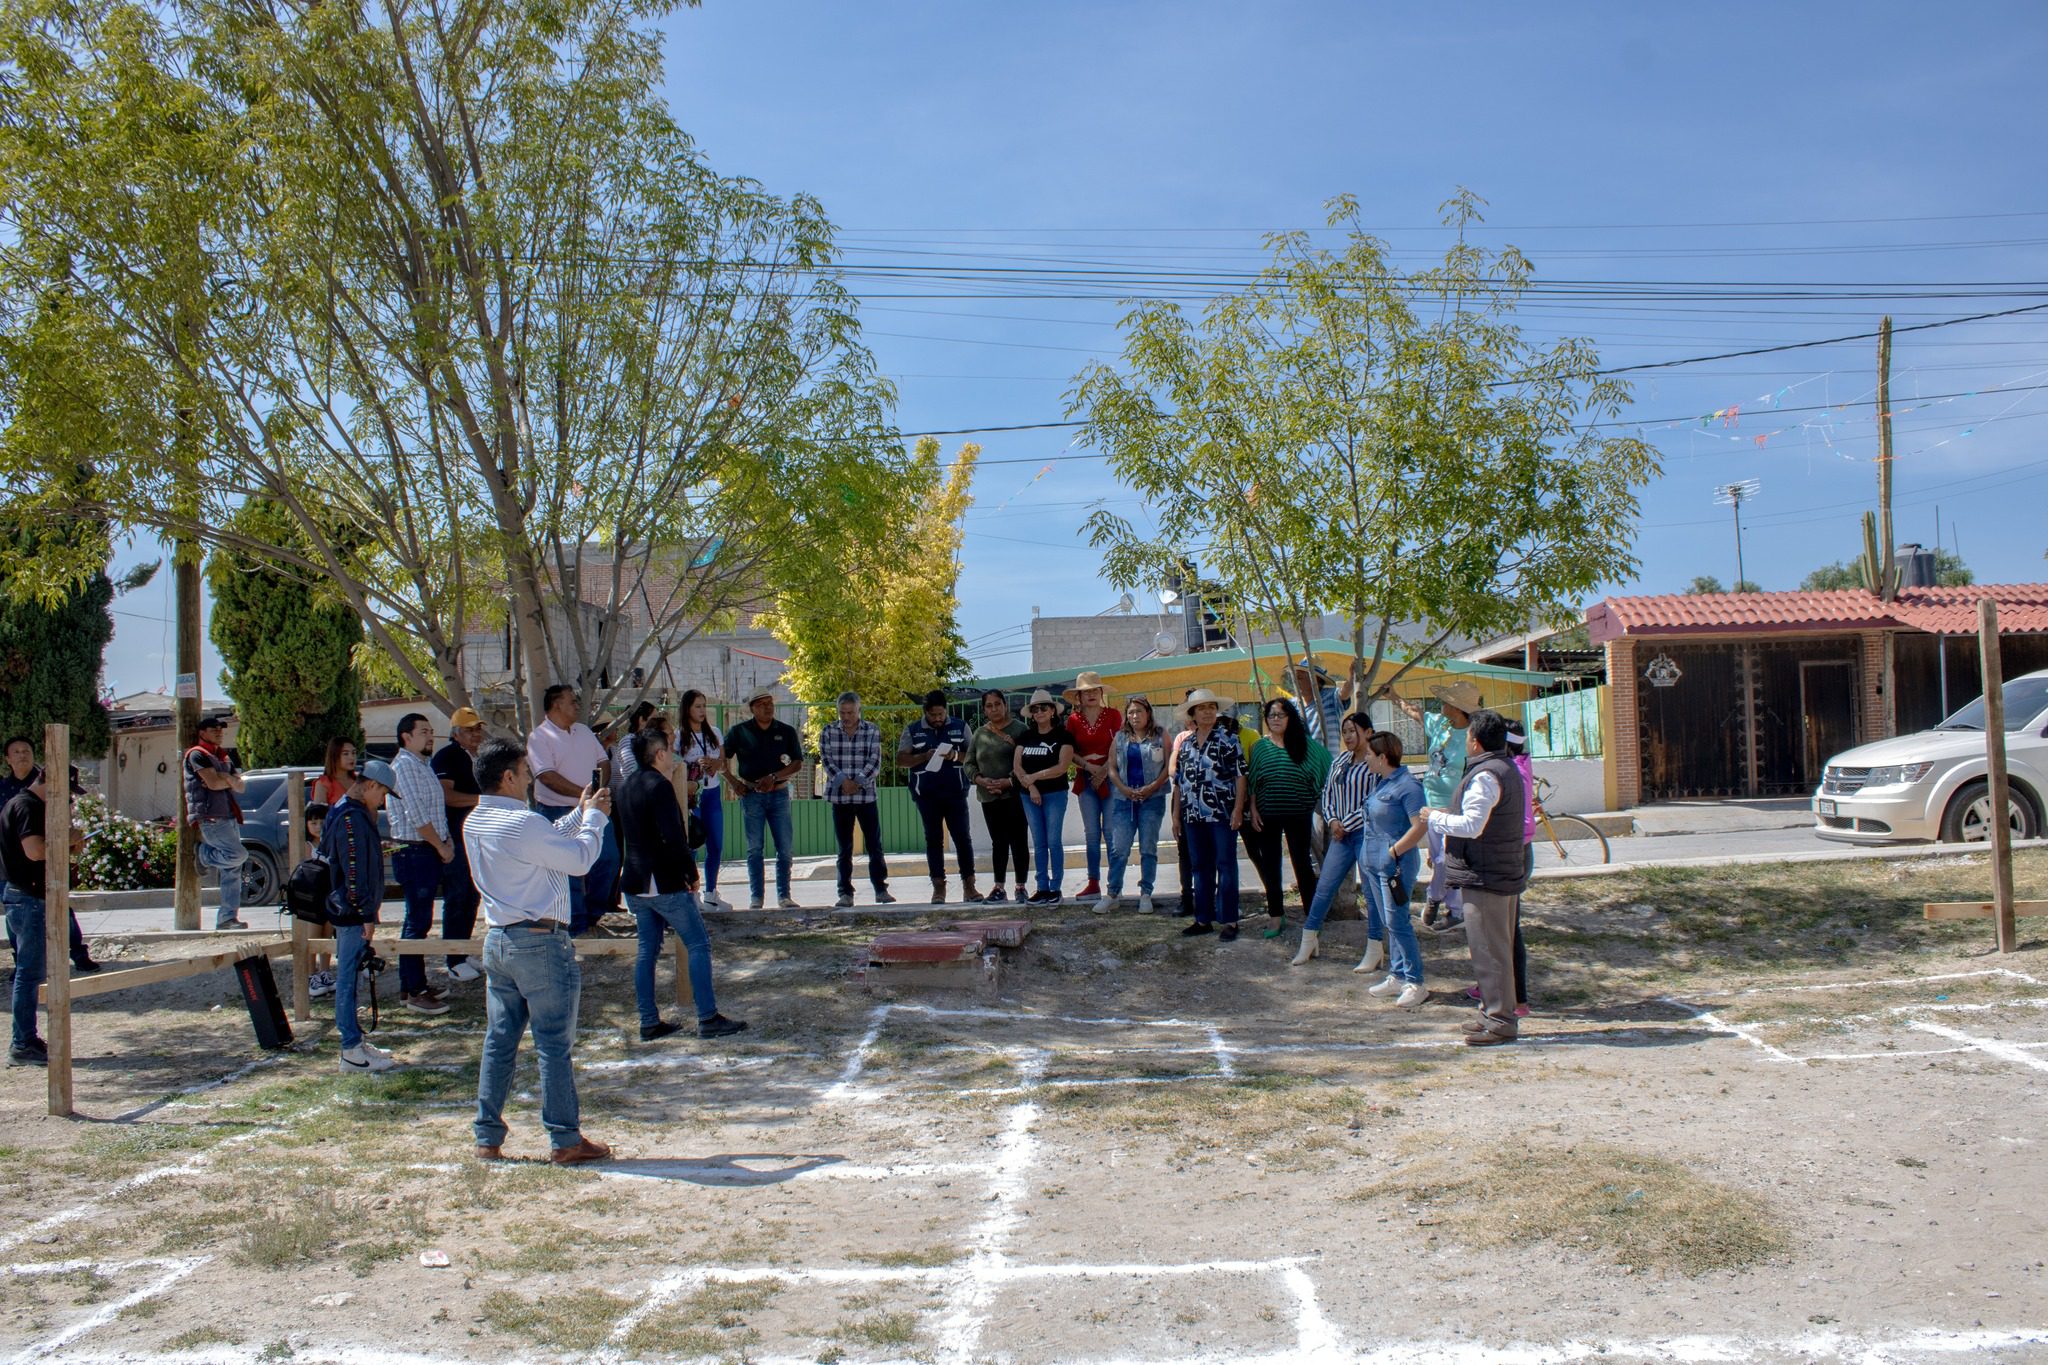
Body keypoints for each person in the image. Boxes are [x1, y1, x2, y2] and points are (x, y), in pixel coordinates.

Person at [464, 737, 612, 1164]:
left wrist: (579, 814)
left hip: (500, 939)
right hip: (541, 941)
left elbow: (544, 842)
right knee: (552, 1044)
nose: (530, 779)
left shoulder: (477, 821)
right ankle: (565, 1138)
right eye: (525, 772)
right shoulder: (521, 823)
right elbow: (580, 859)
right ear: (508, 777)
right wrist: (595, 820)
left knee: (499, 1041)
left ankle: (487, 1135)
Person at [614, 732, 747, 1042]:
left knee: (646, 951)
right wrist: (691, 874)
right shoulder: (659, 786)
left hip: (635, 881)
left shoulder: (628, 784)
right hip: (663, 880)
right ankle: (707, 1016)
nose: (674, 755)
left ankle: (648, 1020)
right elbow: (674, 836)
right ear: (659, 754)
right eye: (670, 750)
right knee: (698, 944)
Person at [1424, 709, 1528, 1047]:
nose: (1465, 741)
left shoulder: (1486, 776)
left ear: (1476, 741)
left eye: (1468, 736)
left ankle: (1499, 1021)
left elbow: (1472, 825)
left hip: (1486, 875)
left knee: (1490, 951)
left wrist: (1435, 818)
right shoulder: (1504, 768)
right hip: (1497, 871)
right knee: (1495, 949)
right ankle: (1493, 1014)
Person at [2, 766, 85, 1066]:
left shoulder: (33, 806)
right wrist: (65, 838)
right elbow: (35, 850)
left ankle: (26, 1039)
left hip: (31, 897)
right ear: (52, 784)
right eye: (67, 795)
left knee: (33, 972)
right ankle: (22, 1043)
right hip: (28, 899)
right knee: (29, 972)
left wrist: (71, 841)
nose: (68, 803)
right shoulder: (26, 806)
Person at [323, 760, 398, 1072]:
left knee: (350, 975)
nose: (382, 801)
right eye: (383, 793)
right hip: (352, 911)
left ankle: (354, 1043)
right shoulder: (352, 817)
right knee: (348, 977)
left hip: (349, 907)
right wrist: (366, 912)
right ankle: (351, 1049)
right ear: (371, 785)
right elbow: (353, 870)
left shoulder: (344, 810)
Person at [0, 738, 97, 974]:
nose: (23, 755)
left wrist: (71, 842)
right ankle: (21, 961)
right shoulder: (8, 791)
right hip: (15, 864)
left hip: (45, 863)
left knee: (62, 911)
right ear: (8, 759)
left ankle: (77, 954)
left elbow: (63, 821)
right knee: (17, 919)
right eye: (17, 752)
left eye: (27, 751)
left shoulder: (49, 780)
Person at [526, 685, 617, 934]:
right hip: (557, 811)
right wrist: (583, 794)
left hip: (592, 807)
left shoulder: (584, 731)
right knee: (568, 869)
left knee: (608, 858)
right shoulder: (539, 737)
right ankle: (575, 923)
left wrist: (598, 788)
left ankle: (593, 914)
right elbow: (546, 777)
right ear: (557, 705)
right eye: (571, 701)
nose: (576, 705)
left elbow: (603, 761)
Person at [385, 713, 455, 1015]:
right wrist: (439, 845)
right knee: (416, 921)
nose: (430, 736)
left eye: (431, 731)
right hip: (414, 850)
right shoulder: (403, 767)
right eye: (423, 731)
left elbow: (437, 811)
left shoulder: (422, 766)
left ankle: (412, 984)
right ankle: (414, 991)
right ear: (406, 737)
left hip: (429, 848)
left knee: (419, 920)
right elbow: (416, 815)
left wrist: (446, 840)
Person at [1244, 697, 1331, 939]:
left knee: (1301, 864)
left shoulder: (1306, 746)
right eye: (1271, 715)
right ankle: (1275, 915)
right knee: (1270, 865)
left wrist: (1316, 796)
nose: (1275, 719)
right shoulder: (1260, 747)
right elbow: (1253, 782)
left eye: (1280, 715)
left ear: (1290, 718)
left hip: (1298, 814)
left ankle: (1312, 917)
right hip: (1267, 815)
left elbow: (1328, 769)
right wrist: (1253, 809)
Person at [1356, 734, 1431, 1007]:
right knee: (1390, 922)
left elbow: (1419, 826)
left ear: (1382, 758)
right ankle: (1397, 975)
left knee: (1398, 921)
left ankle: (1415, 981)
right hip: (1373, 863)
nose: (1366, 759)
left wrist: (1394, 851)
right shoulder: (1381, 782)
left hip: (1394, 866)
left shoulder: (1408, 787)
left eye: (1369, 755)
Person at [1170, 688, 1247, 940]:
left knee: (1225, 864)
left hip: (1222, 813)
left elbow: (1240, 775)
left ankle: (1229, 921)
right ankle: (1203, 919)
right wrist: (1176, 816)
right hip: (1193, 816)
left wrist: (1238, 808)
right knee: (1199, 866)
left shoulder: (1228, 739)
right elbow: (1180, 783)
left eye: (1211, 707)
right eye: (1202, 708)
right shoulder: (1186, 745)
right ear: (1192, 714)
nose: (1207, 712)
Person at [1402, 680, 1477, 933]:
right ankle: (1440, 903)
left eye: (1447, 701)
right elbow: (1415, 713)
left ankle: (1446, 904)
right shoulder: (1441, 726)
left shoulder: (1472, 738)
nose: (1442, 705)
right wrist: (1393, 698)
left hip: (1454, 809)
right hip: (1430, 806)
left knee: (1448, 860)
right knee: (1438, 859)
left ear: (1457, 708)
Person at [723, 688, 803, 910]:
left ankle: (784, 896)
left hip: (779, 794)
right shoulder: (739, 732)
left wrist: (775, 776)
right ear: (752, 709)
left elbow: (797, 762)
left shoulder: (785, 731)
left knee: (785, 847)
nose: (768, 707)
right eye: (762, 704)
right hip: (751, 795)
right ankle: (756, 898)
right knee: (754, 848)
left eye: (770, 703)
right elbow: (722, 759)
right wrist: (733, 782)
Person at [900, 689, 978, 904]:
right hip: (926, 795)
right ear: (925, 712)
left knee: (963, 838)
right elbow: (901, 760)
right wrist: (923, 756)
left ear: (946, 711)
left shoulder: (960, 727)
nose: (937, 719)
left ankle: (969, 887)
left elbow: (973, 757)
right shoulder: (913, 730)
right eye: (933, 715)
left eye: (941, 714)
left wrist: (954, 755)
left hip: (955, 793)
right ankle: (938, 888)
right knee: (933, 840)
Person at [821, 692, 891, 909]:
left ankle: (880, 889)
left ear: (859, 711)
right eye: (842, 712)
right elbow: (826, 760)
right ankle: (845, 893)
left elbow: (875, 761)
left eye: (850, 712)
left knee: (874, 844)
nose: (846, 717)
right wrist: (843, 781)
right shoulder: (828, 731)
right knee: (844, 847)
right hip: (839, 797)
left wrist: (857, 782)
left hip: (866, 796)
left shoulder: (871, 730)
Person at [434, 707, 488, 984]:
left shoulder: (475, 757)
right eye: (469, 730)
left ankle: (464, 950)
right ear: (456, 733)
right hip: (455, 836)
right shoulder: (447, 756)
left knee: (472, 895)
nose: (475, 734)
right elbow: (447, 796)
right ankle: (453, 958)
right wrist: (481, 800)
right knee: (457, 896)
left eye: (477, 729)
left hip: (476, 835)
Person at [1101, 697, 1169, 914]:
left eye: (1139, 711)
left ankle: (1146, 893)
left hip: (1153, 799)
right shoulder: (1120, 737)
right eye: (1131, 712)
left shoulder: (1160, 735)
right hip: (1124, 801)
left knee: (1148, 847)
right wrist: (1123, 789)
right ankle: (1113, 893)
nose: (1135, 716)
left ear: (1148, 713)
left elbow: (1169, 766)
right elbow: (1111, 767)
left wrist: (1153, 786)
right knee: (1119, 848)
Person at [183, 713, 248, 930]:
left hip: (228, 814)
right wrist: (227, 780)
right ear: (202, 733)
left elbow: (240, 786)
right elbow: (212, 783)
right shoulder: (196, 754)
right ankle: (203, 855)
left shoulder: (223, 756)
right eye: (214, 729)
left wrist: (227, 780)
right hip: (211, 816)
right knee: (237, 856)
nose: (219, 733)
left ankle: (227, 918)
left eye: (221, 729)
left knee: (233, 869)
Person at [965, 690, 1029, 904]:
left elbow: (1028, 761)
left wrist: (1009, 781)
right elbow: (969, 762)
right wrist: (980, 780)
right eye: (989, 706)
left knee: (1018, 841)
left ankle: (1021, 886)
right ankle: (999, 887)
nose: (994, 709)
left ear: (1005, 705)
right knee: (998, 842)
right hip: (989, 796)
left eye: (997, 704)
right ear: (984, 710)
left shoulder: (1021, 730)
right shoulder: (979, 734)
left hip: (1015, 794)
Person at [1012, 690, 1074, 904]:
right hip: (1029, 795)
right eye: (1035, 709)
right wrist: (1031, 787)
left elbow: (1062, 767)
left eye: (1043, 708)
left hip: (1056, 793)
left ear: (1052, 711)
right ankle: (1041, 887)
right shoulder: (1025, 736)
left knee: (1053, 841)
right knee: (1039, 842)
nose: (1039, 712)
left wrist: (1034, 778)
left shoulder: (1063, 736)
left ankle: (1055, 888)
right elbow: (1017, 766)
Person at [1062, 672, 1119, 902]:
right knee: (1092, 834)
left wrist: (1104, 769)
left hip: (1111, 778)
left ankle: (1115, 883)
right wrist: (1089, 766)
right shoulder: (1073, 721)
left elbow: (1119, 744)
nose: (1091, 694)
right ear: (1079, 696)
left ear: (1101, 692)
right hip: (1085, 780)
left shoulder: (1114, 715)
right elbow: (1069, 752)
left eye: (1095, 690)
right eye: (1087, 691)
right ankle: (1093, 883)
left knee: (1112, 833)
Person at [677, 691, 730, 911]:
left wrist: (714, 764)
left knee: (716, 843)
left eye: (704, 706)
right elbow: (676, 768)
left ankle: (711, 892)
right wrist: (695, 767)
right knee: (693, 844)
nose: (702, 711)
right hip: (692, 798)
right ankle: (692, 892)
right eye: (697, 706)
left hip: (712, 792)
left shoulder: (714, 732)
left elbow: (724, 763)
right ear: (687, 708)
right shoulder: (679, 736)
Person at [1286, 659, 1348, 748]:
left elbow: (1344, 694)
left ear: (1316, 680)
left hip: (1328, 761)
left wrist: (1353, 676)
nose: (1296, 682)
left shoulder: (1331, 696)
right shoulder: (1291, 705)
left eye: (1300, 678)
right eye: (1295, 678)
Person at [609, 702, 660, 781]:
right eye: (654, 719)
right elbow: (631, 771)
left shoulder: (651, 742)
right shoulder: (628, 741)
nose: (658, 723)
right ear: (641, 720)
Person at [311, 737, 357, 808]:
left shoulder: (359, 781)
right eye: (345, 754)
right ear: (334, 756)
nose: (352, 757)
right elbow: (318, 816)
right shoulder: (323, 784)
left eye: (354, 753)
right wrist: (346, 798)